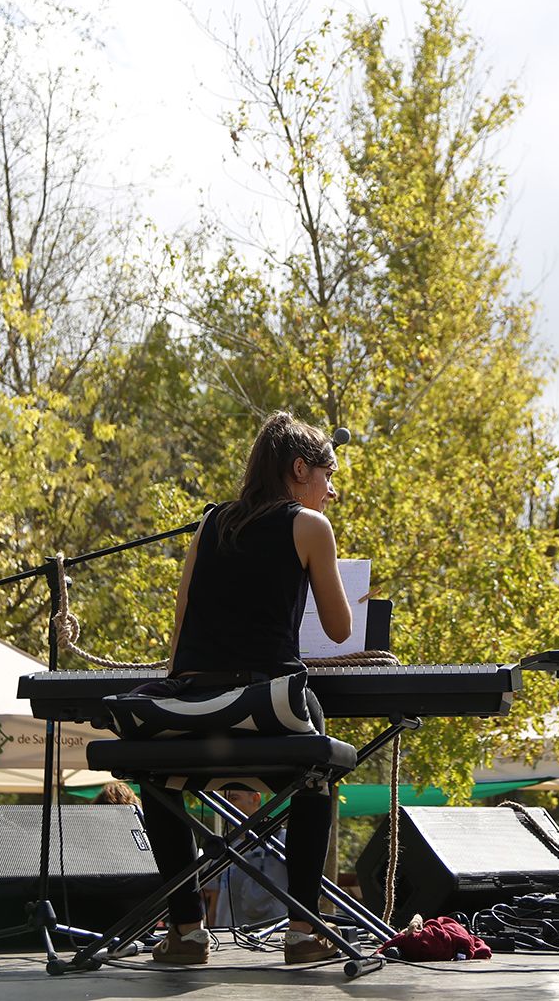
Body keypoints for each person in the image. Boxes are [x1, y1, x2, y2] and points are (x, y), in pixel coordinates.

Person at [141, 411, 351, 966]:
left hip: (194, 714)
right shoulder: (310, 527)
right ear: (299, 468)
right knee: (317, 773)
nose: (332, 491)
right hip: (269, 710)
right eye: (328, 476)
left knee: (158, 776)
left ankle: (186, 931)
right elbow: (340, 628)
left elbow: (181, 625)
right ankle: (304, 932)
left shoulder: (210, 524)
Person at [201, 790, 289, 927]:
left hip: (272, 938)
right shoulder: (223, 847)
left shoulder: (282, 840)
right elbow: (213, 897)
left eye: (234, 798)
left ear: (255, 798)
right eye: (225, 800)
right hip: (226, 938)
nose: (227, 805)